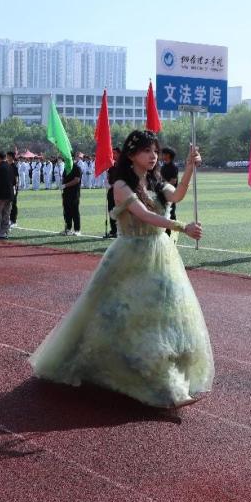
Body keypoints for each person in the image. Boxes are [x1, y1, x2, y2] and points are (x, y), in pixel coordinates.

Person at [29, 129, 211, 409]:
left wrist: (189, 168)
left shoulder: (156, 181)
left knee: (162, 316)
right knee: (122, 315)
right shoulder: (121, 185)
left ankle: (168, 384)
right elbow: (145, 215)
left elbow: (177, 196)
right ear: (131, 154)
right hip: (130, 255)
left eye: (155, 151)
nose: (153, 156)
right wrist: (181, 227)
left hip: (161, 254)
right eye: (146, 151)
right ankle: (142, 379)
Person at [60, 155, 82, 236]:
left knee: (75, 212)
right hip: (66, 193)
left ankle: (77, 230)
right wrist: (62, 184)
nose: (66, 161)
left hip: (74, 193)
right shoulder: (66, 169)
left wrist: (65, 185)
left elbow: (76, 180)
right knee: (66, 212)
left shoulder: (77, 168)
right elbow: (64, 179)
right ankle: (68, 229)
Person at [160, 147, 179, 237]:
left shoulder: (173, 167)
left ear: (168, 155)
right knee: (163, 212)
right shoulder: (163, 167)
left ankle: (173, 233)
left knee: (171, 213)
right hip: (163, 193)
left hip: (171, 193)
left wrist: (163, 185)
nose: (162, 155)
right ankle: (166, 232)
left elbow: (173, 181)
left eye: (164, 154)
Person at [104, 148, 121, 238]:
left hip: (120, 192)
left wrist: (114, 184)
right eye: (112, 153)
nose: (113, 155)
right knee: (111, 211)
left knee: (119, 212)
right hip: (111, 192)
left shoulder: (123, 166)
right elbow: (108, 176)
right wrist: (107, 182)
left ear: (119, 154)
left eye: (115, 153)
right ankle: (113, 230)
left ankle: (120, 231)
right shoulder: (112, 166)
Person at [6, 151, 19, 227]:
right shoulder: (7, 165)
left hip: (13, 187)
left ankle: (14, 221)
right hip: (7, 187)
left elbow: (16, 178)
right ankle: (8, 219)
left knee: (13, 204)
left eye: (8, 156)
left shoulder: (14, 166)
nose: (6, 157)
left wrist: (15, 187)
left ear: (11, 157)